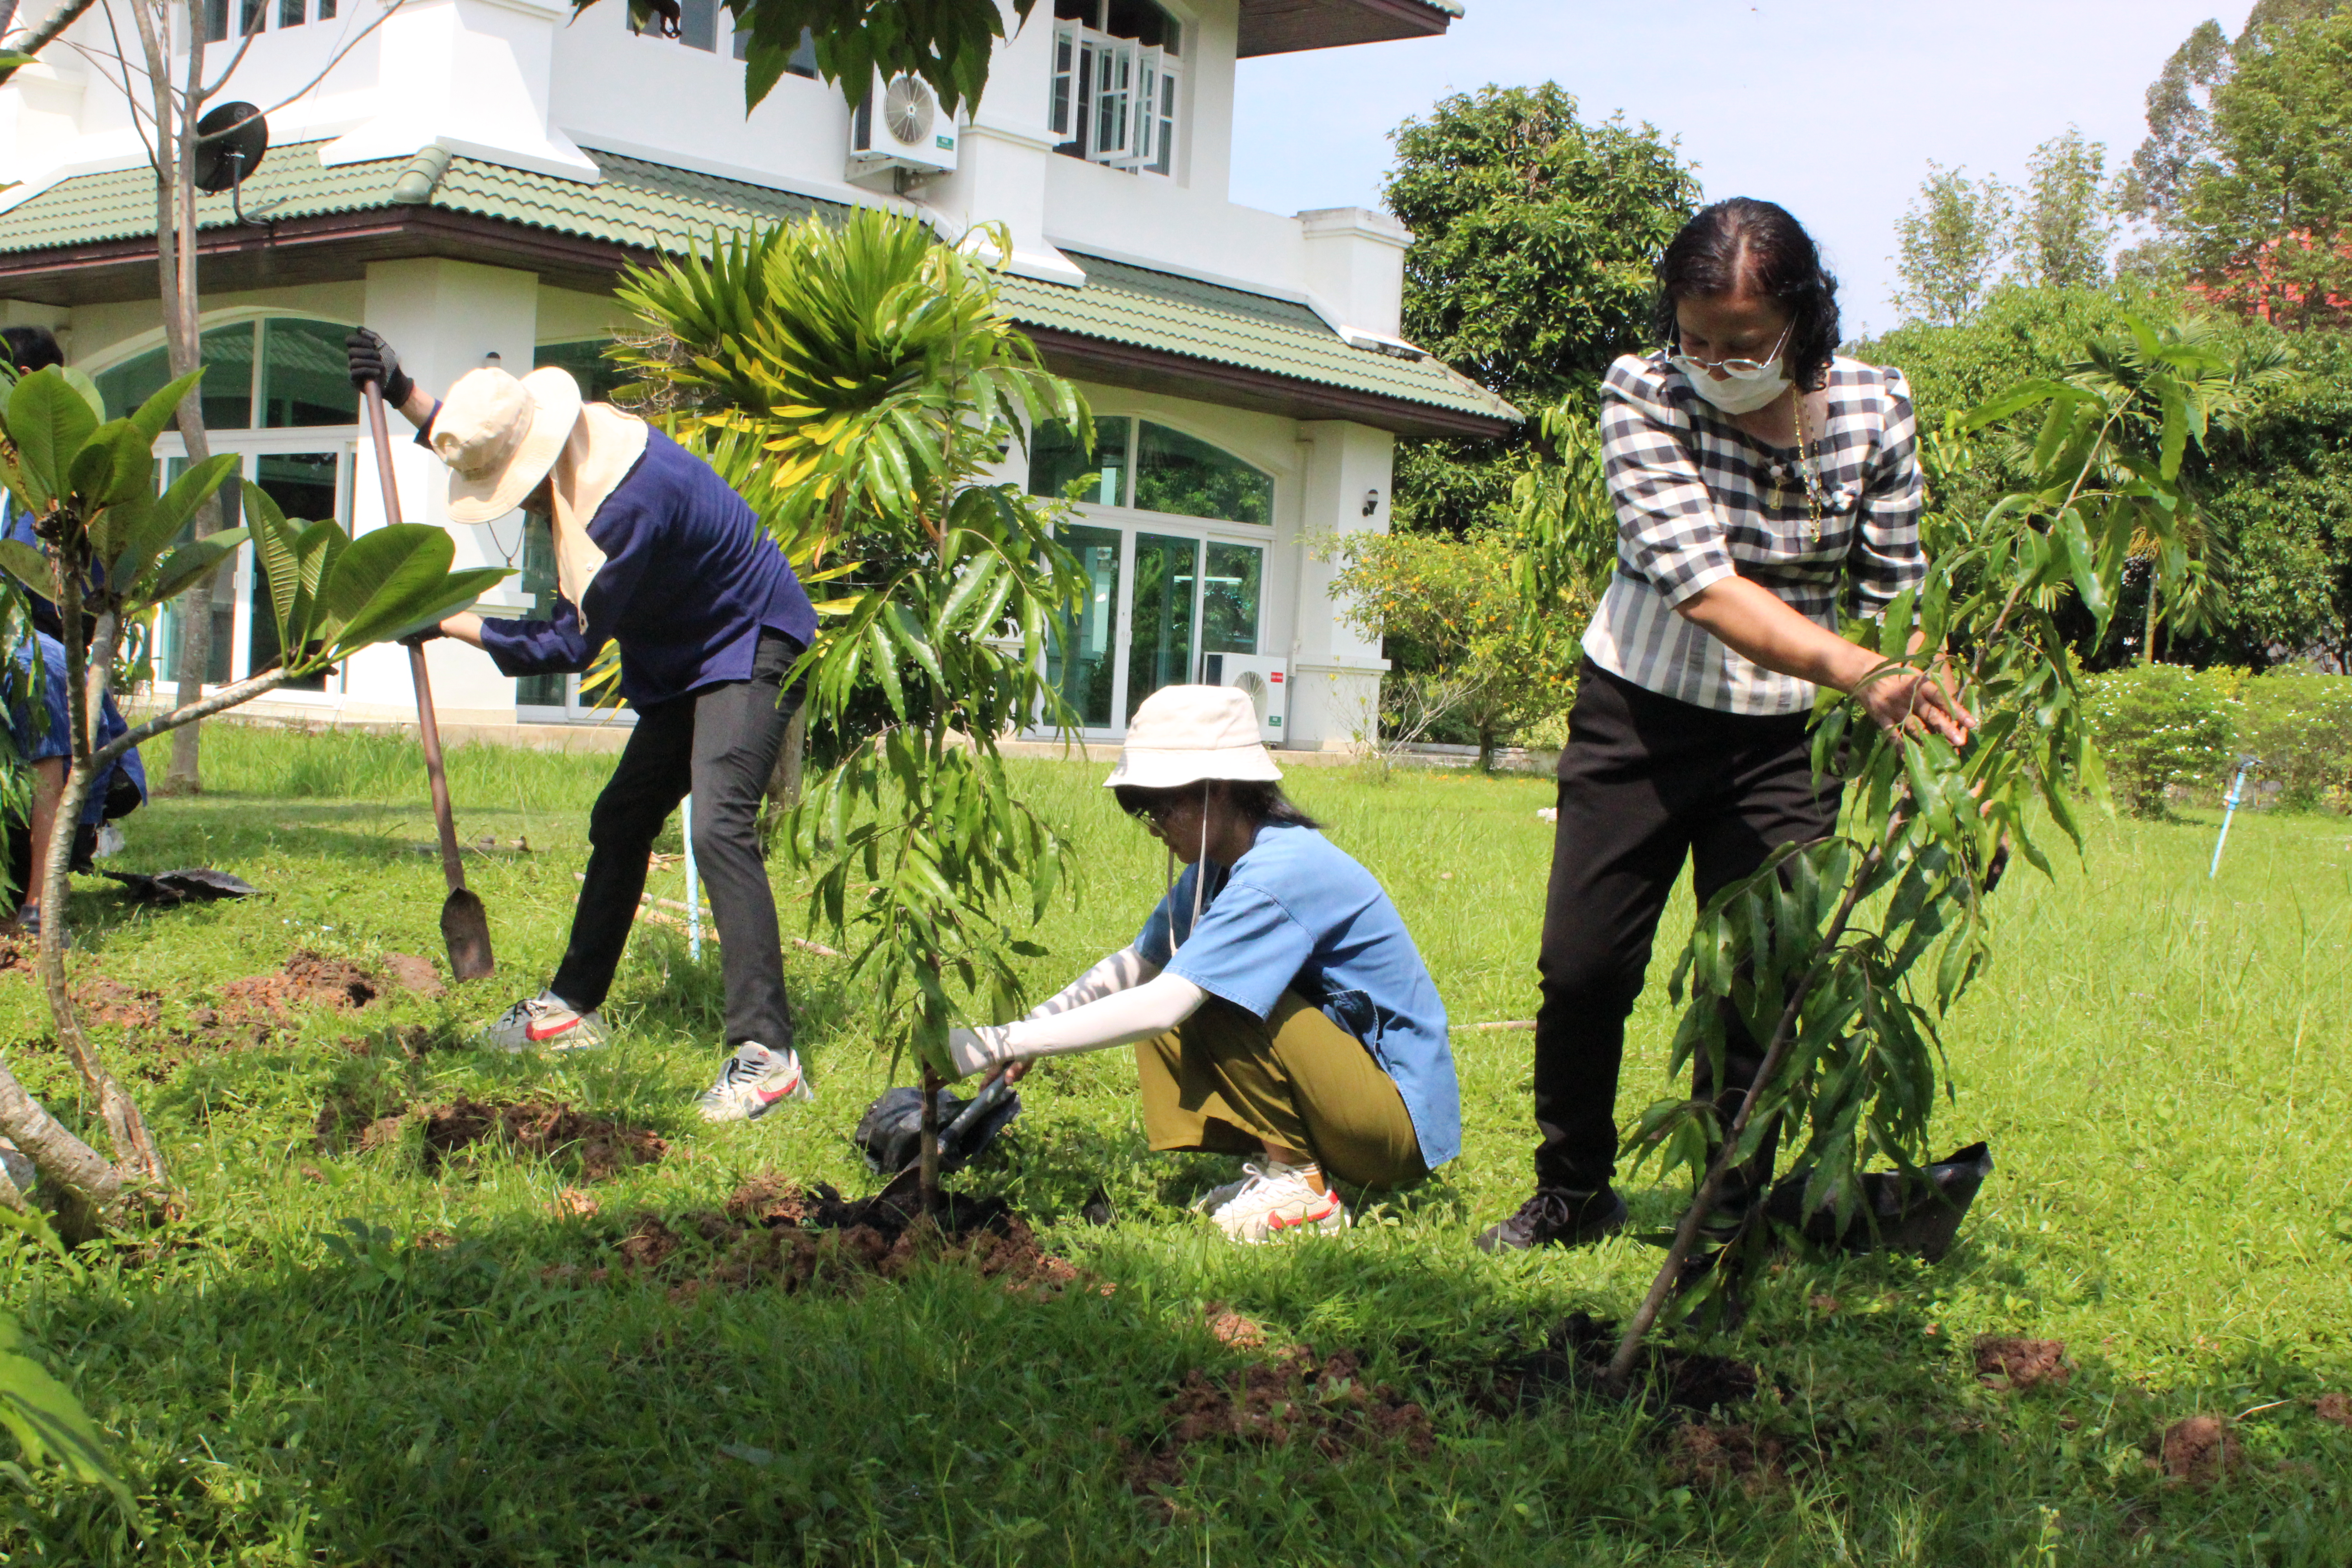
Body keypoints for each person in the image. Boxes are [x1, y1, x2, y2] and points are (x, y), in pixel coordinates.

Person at [1477, 199, 1974, 1254]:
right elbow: (1701, 584)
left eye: (1741, 345)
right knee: (1584, 966)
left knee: (1757, 978)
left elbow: (1895, 590)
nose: (1714, 363)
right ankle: (1573, 1190)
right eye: (1695, 337)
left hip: (1787, 739)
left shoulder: (1873, 409)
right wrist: (1860, 669)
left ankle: (1725, 1204)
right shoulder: (1643, 391)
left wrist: (1921, 718)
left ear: (1800, 319)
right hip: (1641, 717)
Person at [346, 328, 819, 1122]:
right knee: (622, 818)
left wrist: (448, 620)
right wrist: (403, 391)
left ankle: (769, 1059)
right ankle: (572, 1009)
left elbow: (567, 645)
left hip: (748, 641)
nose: (525, 506)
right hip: (687, 651)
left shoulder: (623, 505)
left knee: (718, 830)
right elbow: (492, 438)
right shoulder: (567, 440)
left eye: (518, 493)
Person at [944, 685, 1460, 1242]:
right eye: (1145, 812)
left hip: (1395, 1127)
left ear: (1219, 789)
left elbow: (1166, 1001)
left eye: (1163, 808)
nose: (1154, 828)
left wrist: (996, 1043)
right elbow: (1137, 964)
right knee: (1190, 974)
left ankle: (1303, 1188)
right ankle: (1286, 1165)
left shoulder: (1280, 872)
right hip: (1355, 1104)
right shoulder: (1223, 863)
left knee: (1210, 989)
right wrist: (1024, 1035)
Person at [0, 326, 148, 936]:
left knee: (43, 670)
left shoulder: (76, 480)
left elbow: (84, 594)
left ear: (28, 385)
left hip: (40, 644)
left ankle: (40, 899)